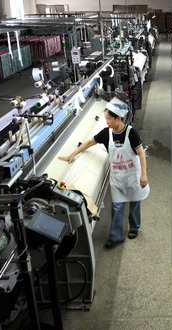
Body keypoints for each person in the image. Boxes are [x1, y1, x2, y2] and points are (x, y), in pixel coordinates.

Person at [58, 99, 149, 249]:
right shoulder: (106, 133)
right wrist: (72, 154)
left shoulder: (130, 133)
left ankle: (134, 227)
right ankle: (116, 236)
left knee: (135, 203)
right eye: (105, 118)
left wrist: (144, 174)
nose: (106, 121)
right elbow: (89, 142)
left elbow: (141, 153)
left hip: (133, 175)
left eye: (108, 119)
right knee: (117, 207)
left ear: (118, 119)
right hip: (117, 178)